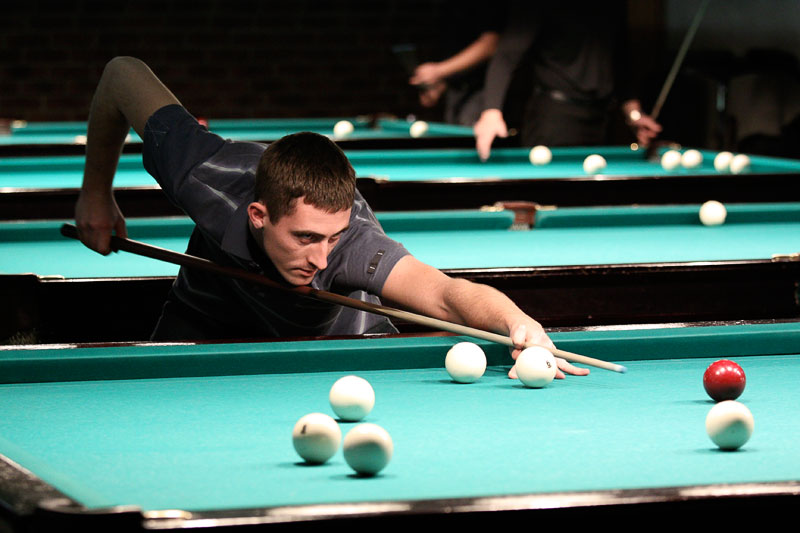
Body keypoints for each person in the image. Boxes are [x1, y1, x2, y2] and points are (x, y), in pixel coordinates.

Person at [75, 56, 589, 381]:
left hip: (338, 342)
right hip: (205, 316)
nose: (321, 259)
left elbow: (444, 293)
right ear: (258, 215)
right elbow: (122, 73)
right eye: (304, 238)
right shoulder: (205, 175)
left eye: (332, 238)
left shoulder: (351, 245)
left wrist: (516, 322)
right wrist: (96, 194)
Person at [473, 3, 662, 161]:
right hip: (554, 119)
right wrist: (491, 111)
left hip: (602, 118)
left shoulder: (613, 5)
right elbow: (507, 54)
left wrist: (634, 114)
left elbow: (621, 64)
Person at [409, 3, 506, 126]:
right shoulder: (450, 7)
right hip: (455, 90)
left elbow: (490, 44)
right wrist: (441, 83)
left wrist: (438, 71)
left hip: (484, 91)